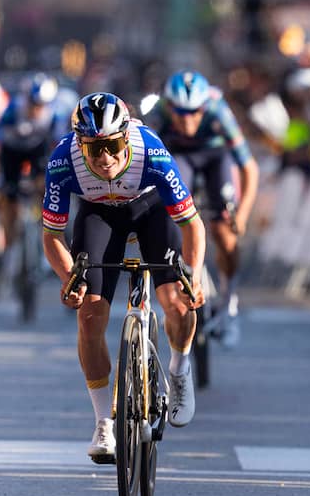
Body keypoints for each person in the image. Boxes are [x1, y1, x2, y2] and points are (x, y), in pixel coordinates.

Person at [42, 92, 205, 462]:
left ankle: (179, 371)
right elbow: (51, 235)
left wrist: (192, 275)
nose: (105, 158)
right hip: (99, 216)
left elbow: (193, 225)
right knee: (89, 315)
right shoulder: (62, 160)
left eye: (113, 145)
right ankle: (103, 423)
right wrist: (69, 277)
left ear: (126, 135)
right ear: (80, 144)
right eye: (95, 149)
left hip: (151, 211)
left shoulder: (152, 152)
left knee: (176, 303)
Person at [145, 71, 259, 347]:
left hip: (214, 157)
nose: (187, 120)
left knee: (224, 232)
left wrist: (241, 214)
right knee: (170, 212)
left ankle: (229, 304)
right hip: (179, 156)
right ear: (169, 106)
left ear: (204, 108)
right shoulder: (157, 114)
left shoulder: (218, 111)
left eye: (194, 112)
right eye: (180, 113)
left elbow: (248, 168)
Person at [0, 73, 66, 284]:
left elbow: (59, 144)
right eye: (34, 104)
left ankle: (46, 239)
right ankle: (10, 244)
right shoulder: (15, 108)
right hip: (12, 152)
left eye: (42, 105)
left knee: (47, 187)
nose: (36, 109)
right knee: (8, 196)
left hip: (37, 153)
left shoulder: (54, 115)